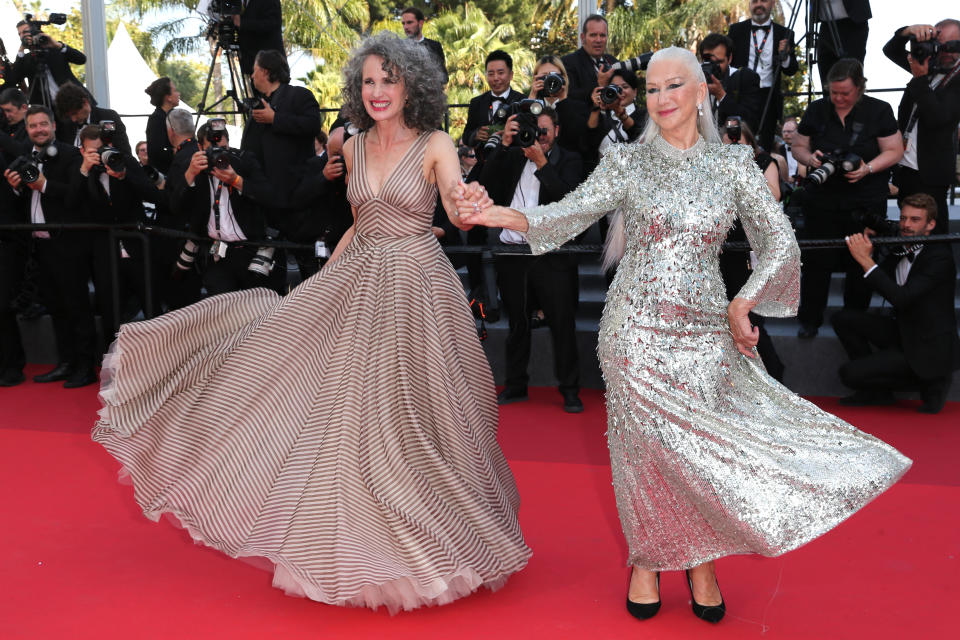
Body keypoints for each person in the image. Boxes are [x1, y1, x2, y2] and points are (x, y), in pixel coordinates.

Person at [456, 46, 910, 625]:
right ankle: (647, 559)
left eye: (674, 86)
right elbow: (567, 214)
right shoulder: (627, 162)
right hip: (633, 332)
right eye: (651, 88)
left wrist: (745, 300)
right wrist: (498, 216)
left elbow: (781, 244)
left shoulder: (734, 165)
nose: (661, 98)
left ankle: (701, 560)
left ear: (700, 93)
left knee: (698, 453)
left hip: (703, 332)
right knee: (642, 452)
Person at [92, 32, 531, 613]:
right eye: (369, 81)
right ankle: (358, 550)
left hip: (418, 292)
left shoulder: (435, 143)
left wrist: (475, 201)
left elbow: (453, 207)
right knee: (348, 418)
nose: (378, 92)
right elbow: (360, 221)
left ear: (412, 86)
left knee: (420, 420)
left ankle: (435, 542)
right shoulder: (349, 145)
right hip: (359, 282)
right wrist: (322, 281)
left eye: (389, 80)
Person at [479, 106, 585, 413]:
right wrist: (504, 146)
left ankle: (570, 390)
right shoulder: (512, 157)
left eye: (544, 131)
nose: (538, 137)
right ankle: (515, 386)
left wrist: (542, 164)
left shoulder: (570, 159)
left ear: (556, 131)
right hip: (513, 255)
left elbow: (570, 203)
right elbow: (486, 185)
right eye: (533, 131)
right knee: (517, 324)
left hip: (553, 255)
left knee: (562, 324)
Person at [790, 58, 904, 338]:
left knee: (861, 263)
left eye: (845, 93)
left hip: (865, 200)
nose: (838, 98)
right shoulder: (817, 110)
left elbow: (894, 150)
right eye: (833, 93)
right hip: (823, 200)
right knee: (817, 263)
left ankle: (854, 322)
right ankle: (810, 320)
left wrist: (867, 168)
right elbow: (799, 146)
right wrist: (811, 159)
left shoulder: (879, 110)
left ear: (860, 88)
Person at [833, 193, 958, 413]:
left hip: (927, 345)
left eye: (915, 220)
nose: (906, 225)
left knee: (849, 374)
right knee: (843, 318)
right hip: (902, 330)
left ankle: (929, 381)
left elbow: (902, 298)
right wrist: (868, 255)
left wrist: (866, 260)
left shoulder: (940, 257)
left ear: (931, 225)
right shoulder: (900, 247)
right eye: (903, 219)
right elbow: (875, 284)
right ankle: (878, 393)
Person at [3, 105, 96, 388]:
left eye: (43, 124)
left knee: (77, 307)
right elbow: (22, 206)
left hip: (68, 244)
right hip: (39, 247)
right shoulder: (23, 158)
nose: (39, 130)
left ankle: (86, 366)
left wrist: (43, 185)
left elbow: (74, 198)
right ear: (27, 130)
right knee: (56, 307)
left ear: (53, 125)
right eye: (33, 126)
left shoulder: (69, 155)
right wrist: (14, 187)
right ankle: (66, 363)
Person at [76, 124, 162, 335]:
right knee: (110, 310)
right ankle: (113, 361)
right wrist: (85, 171)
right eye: (93, 152)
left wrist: (124, 176)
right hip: (105, 251)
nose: (101, 155)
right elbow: (73, 204)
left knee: (151, 306)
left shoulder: (126, 162)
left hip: (137, 248)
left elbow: (153, 194)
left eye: (103, 149)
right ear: (83, 152)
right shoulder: (83, 173)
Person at [180, 120, 282, 295]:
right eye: (212, 151)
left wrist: (237, 181)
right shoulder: (196, 168)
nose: (218, 156)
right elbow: (176, 206)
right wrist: (190, 174)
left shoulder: (244, 161)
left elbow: (270, 196)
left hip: (249, 250)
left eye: (223, 149)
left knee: (255, 310)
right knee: (221, 312)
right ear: (199, 147)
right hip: (217, 255)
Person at [718, 117, 785, 382]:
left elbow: (773, 196)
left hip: (750, 251)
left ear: (750, 142)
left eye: (739, 143)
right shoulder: (714, 167)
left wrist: (743, 168)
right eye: (727, 144)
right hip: (721, 249)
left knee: (750, 317)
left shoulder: (763, 162)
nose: (733, 148)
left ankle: (773, 376)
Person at [883, 20, 960, 235]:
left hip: (931, 173)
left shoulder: (956, 78)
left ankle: (939, 269)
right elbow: (890, 50)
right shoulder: (926, 63)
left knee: (933, 233)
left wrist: (919, 79)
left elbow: (938, 118)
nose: (945, 53)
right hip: (906, 167)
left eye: (953, 47)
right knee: (907, 230)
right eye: (940, 45)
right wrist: (907, 32)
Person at [727, 0, 799, 150]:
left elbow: (792, 69)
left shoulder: (785, 33)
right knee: (739, 141)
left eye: (764, 0)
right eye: (754, 1)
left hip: (769, 97)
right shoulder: (736, 30)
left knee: (765, 144)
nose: (758, 5)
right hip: (742, 95)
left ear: (773, 3)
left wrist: (784, 56)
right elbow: (728, 63)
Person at [11, 20, 89, 106]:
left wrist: (57, 45)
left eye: (25, 32)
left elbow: (81, 59)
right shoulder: (26, 59)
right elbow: (14, 79)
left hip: (72, 103)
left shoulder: (55, 49)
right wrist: (21, 49)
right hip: (45, 109)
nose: (22, 36)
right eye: (20, 34)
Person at [699, 33, 764, 136]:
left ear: (729, 59)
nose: (713, 67)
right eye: (708, 61)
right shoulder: (693, 78)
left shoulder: (744, 78)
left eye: (719, 62)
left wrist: (721, 96)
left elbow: (751, 121)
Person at [528, 55, 589, 161]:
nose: (550, 81)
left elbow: (578, 140)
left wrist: (563, 99)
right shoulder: (529, 104)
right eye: (545, 76)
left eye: (554, 76)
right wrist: (532, 96)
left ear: (564, 78)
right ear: (535, 79)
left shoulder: (580, 107)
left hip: (568, 165)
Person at [53, 83, 131, 153]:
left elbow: (124, 151)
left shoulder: (108, 117)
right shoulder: (65, 125)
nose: (73, 119)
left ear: (85, 102)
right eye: (69, 116)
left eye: (75, 113)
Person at [812, 0, 872, 89]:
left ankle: (853, 101)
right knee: (826, 69)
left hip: (852, 23)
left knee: (851, 70)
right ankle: (829, 100)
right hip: (826, 24)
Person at [561, 14, 618, 108]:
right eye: (593, 35)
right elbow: (569, 97)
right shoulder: (568, 63)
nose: (598, 40)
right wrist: (599, 84)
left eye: (602, 35)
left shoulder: (613, 61)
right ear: (583, 38)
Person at [233, 0, 285, 77]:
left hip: (271, 67)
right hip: (251, 66)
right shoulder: (242, 3)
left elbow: (272, 24)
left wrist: (242, 23)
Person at [144, 77, 181, 175]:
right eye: (175, 91)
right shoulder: (156, 119)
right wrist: (179, 151)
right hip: (165, 176)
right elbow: (156, 151)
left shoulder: (175, 116)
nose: (178, 94)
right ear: (168, 97)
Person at [401, 6, 447, 84]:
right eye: (403, 23)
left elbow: (444, 77)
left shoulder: (434, 46)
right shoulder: (399, 47)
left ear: (420, 23)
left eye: (409, 22)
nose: (405, 27)